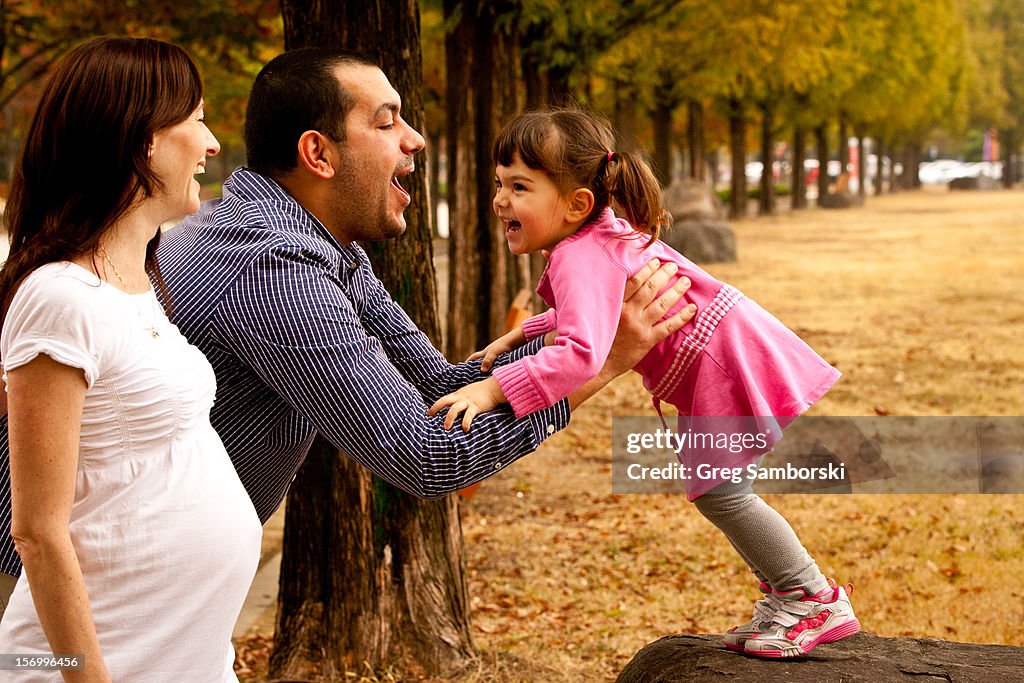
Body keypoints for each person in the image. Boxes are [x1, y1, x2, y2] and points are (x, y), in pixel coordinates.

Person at [0, 48, 694, 620]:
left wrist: (580, 325)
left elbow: (442, 390)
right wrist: (601, 362)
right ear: (318, 154)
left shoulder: (319, 247)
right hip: (54, 596)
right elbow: (428, 457)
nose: (415, 138)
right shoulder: (270, 267)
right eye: (388, 120)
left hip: (144, 597)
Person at [429, 108, 860, 658]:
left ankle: (811, 597)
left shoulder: (578, 254)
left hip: (720, 363)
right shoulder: (600, 236)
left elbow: (583, 353)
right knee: (720, 493)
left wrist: (494, 389)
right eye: (499, 184)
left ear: (576, 204)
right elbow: (596, 313)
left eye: (519, 187)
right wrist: (521, 336)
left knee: (722, 494)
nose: (500, 200)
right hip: (726, 347)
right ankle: (788, 595)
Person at [0, 37, 261, 681]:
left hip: (187, 660)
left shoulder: (141, 282)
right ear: (143, 138)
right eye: (197, 119)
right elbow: (35, 531)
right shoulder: (58, 298)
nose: (212, 143)